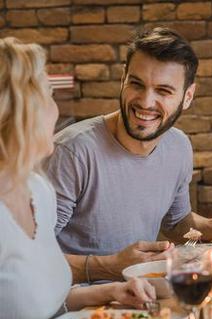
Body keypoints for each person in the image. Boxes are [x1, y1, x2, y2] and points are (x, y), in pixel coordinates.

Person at [45, 27, 212, 283]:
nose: (146, 102)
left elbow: (177, 225)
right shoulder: (72, 152)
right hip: (74, 303)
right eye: (136, 84)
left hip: (142, 295)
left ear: (187, 97)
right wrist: (107, 266)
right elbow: (27, 255)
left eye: (163, 91)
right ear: (123, 80)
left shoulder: (179, 146)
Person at [0, 37, 155, 318]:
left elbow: (42, 301)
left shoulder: (37, 191)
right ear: (19, 113)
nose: (56, 111)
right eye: (49, 96)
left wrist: (111, 292)